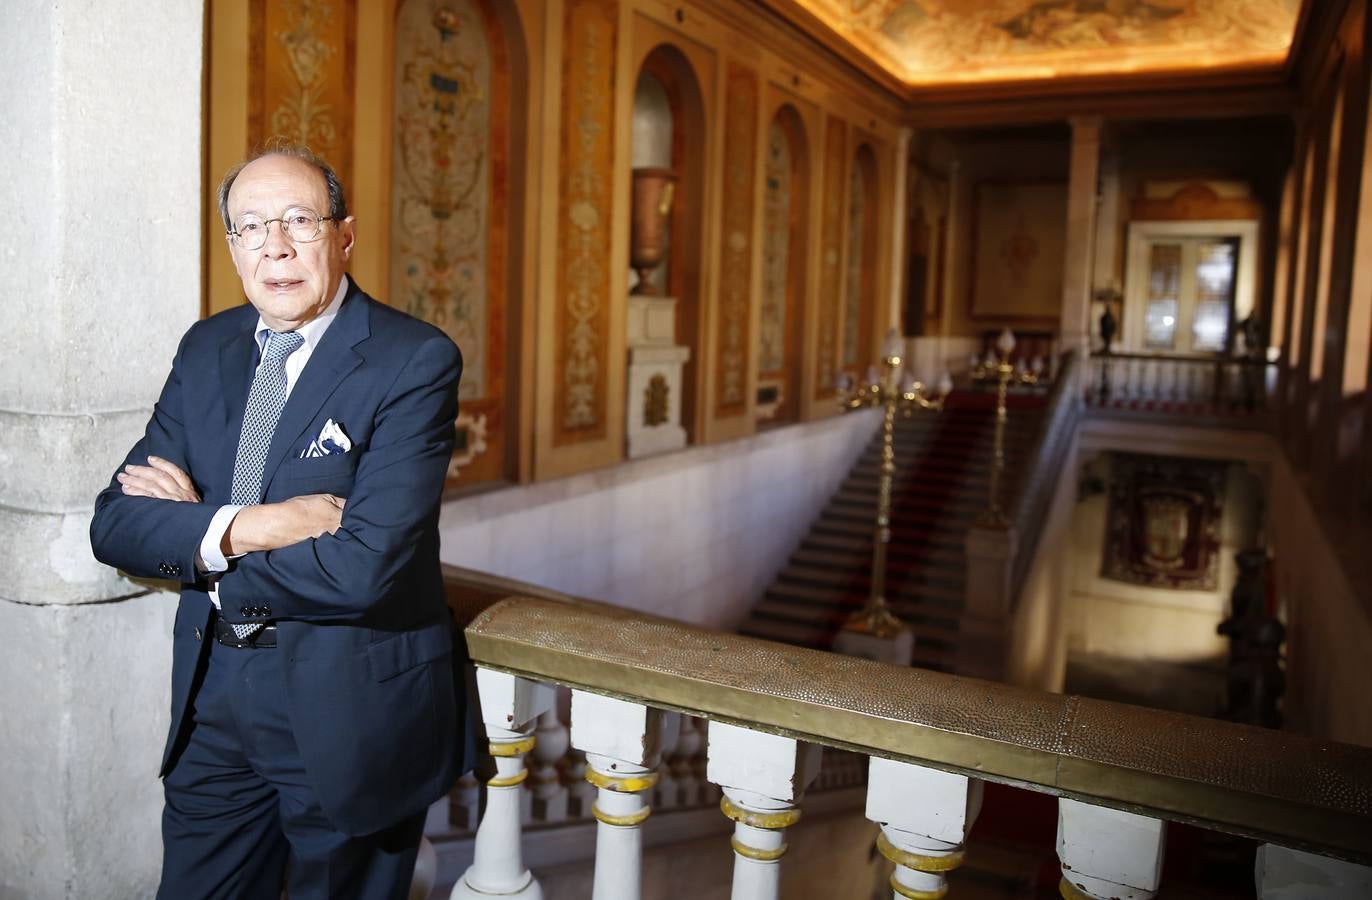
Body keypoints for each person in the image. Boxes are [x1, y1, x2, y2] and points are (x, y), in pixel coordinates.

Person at [90, 144, 472, 899]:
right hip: (214, 699)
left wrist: (197, 537)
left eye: (300, 220)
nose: (277, 245)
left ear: (345, 235)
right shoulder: (206, 348)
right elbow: (115, 525)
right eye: (252, 226)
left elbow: (363, 568)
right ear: (232, 246)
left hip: (350, 711)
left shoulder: (414, 360)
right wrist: (250, 526)